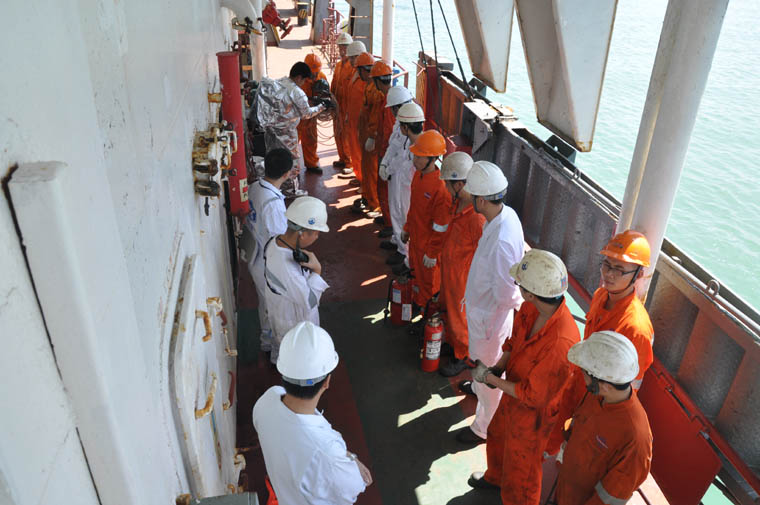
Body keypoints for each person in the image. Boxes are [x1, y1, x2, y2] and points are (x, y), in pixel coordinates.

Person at [468, 250, 580, 505]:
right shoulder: (531, 307)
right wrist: (498, 367)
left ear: (530, 293)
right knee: (497, 435)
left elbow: (533, 396)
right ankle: (496, 478)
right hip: (512, 396)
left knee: (523, 469)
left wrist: (489, 378)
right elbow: (514, 340)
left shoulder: (561, 341)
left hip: (534, 417)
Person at [546, 230, 654, 455]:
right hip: (579, 382)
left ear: (639, 274)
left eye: (619, 269)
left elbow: (630, 386)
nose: (609, 274)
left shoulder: (636, 328)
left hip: (599, 401)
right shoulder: (600, 296)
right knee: (552, 436)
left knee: (580, 453)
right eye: (607, 265)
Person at [253, 321, 372, 505]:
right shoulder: (327, 457)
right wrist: (350, 459)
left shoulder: (267, 400)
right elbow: (354, 487)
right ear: (327, 382)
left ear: (284, 373)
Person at [457, 160, 524, 444]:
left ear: (482, 201)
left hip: (490, 319)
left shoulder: (501, 241)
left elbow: (507, 295)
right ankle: (477, 387)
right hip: (483, 313)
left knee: (487, 370)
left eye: (472, 195)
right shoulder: (504, 216)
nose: (469, 198)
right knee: (480, 366)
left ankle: (484, 427)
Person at [554, 330, 652, 505]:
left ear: (604, 385)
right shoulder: (597, 395)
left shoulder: (635, 438)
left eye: (584, 373)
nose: (581, 376)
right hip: (564, 491)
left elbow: (611, 497)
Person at [263, 196, 330, 363]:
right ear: (302, 234)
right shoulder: (288, 270)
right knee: (299, 360)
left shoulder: (274, 241)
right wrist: (317, 271)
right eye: (316, 233)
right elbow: (309, 301)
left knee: (282, 349)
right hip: (293, 322)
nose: (317, 237)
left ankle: (276, 361)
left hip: (280, 312)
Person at [437, 152, 486, 376]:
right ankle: (452, 342)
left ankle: (463, 355)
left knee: (460, 316)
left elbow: (482, 256)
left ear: (458, 184)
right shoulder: (458, 204)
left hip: (463, 279)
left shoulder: (476, 217)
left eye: (447, 184)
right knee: (448, 310)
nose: (445, 188)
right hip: (450, 271)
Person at [243, 148, 292, 354]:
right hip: (268, 263)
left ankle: (266, 341)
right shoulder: (273, 204)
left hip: (255, 255)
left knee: (265, 304)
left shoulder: (255, 187)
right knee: (277, 309)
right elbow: (278, 241)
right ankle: (277, 352)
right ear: (287, 174)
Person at [254, 62, 329, 198]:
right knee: (291, 161)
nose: (303, 83)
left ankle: (273, 186)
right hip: (287, 133)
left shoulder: (277, 83)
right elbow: (306, 114)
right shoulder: (297, 92)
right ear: (299, 77)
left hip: (271, 131)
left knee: (274, 158)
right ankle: (290, 190)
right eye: (304, 80)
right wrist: (322, 106)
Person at [400, 130, 452, 309]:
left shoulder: (440, 188)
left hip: (428, 247)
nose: (415, 160)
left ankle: (427, 311)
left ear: (432, 158)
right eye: (415, 155)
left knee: (429, 283)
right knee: (416, 275)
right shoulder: (418, 176)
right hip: (416, 240)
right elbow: (414, 208)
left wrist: (432, 253)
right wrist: (407, 228)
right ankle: (418, 302)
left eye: (419, 157)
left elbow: (441, 226)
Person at [378, 92, 417, 267]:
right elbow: (393, 145)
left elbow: (403, 157)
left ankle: (404, 251)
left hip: (404, 178)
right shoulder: (400, 123)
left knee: (401, 212)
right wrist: (384, 163)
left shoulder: (411, 124)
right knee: (394, 208)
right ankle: (397, 239)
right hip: (396, 175)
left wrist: (388, 168)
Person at [354, 60, 393, 215]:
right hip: (373, 139)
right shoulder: (378, 93)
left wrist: (372, 137)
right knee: (368, 171)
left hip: (378, 142)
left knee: (373, 173)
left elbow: (378, 121)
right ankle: (370, 200)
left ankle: (375, 205)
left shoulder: (381, 96)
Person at [297, 53, 328, 175]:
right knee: (293, 141)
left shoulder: (322, 77)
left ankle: (311, 164)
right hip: (298, 116)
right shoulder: (299, 79)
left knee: (311, 139)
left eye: (316, 72)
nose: (314, 75)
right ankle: (292, 169)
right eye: (312, 73)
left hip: (311, 115)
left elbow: (326, 96)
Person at [344, 46, 371, 184]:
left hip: (361, 123)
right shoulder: (356, 73)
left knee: (361, 152)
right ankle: (358, 175)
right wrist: (347, 115)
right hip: (353, 120)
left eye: (352, 57)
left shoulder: (367, 79)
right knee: (354, 149)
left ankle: (363, 180)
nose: (350, 60)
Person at [330, 32, 354, 174]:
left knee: (346, 136)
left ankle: (350, 163)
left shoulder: (353, 68)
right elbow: (334, 83)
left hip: (347, 108)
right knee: (338, 133)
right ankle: (342, 158)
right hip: (337, 106)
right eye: (340, 47)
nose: (342, 50)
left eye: (345, 47)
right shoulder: (339, 65)